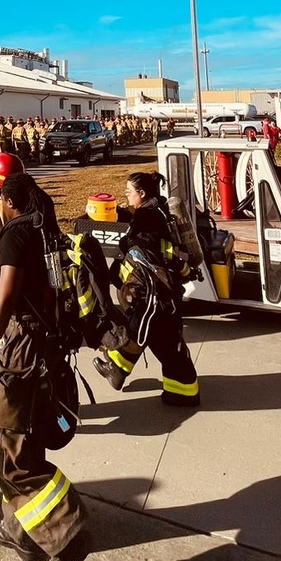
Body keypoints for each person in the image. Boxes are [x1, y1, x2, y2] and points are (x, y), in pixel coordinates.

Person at [0, 172, 90, 561]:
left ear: (4, 199)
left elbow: (8, 297)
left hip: (21, 352)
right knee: (20, 439)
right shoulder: (46, 228)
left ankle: (66, 537)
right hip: (45, 349)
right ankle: (20, 528)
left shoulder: (15, 234)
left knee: (5, 445)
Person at [92, 172, 200, 407]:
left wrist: (126, 243)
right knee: (165, 341)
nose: (126, 195)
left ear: (142, 194)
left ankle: (117, 369)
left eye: (129, 191)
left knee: (140, 329)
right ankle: (182, 391)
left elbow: (146, 247)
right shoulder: (158, 207)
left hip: (155, 291)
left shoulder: (147, 215)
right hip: (165, 290)